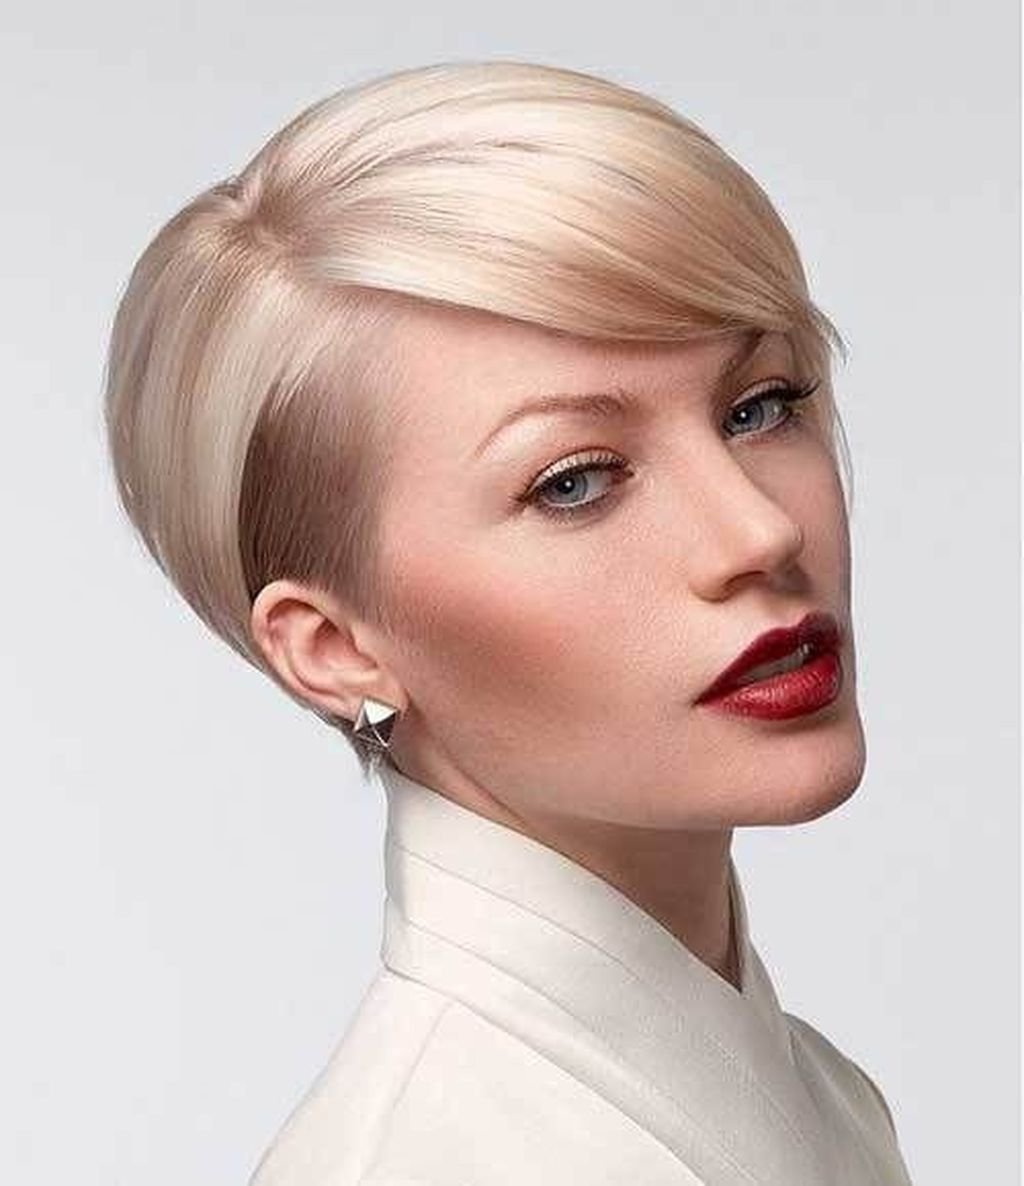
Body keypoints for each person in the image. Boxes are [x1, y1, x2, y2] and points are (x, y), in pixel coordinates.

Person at [101, 59, 915, 1185]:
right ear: (335, 648)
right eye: (574, 481)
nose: (760, 531)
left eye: (757, 407)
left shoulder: (819, 1100)